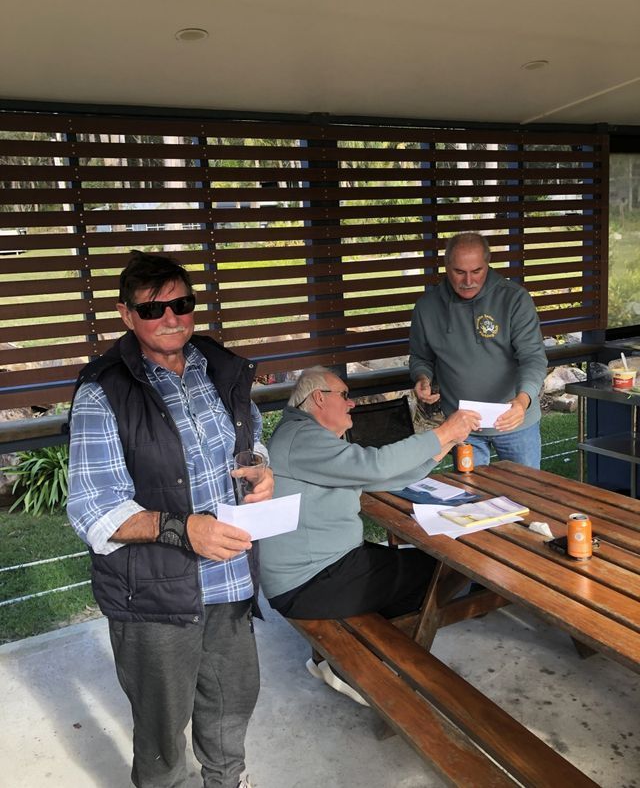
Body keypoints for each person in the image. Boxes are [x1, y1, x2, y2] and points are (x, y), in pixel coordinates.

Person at [67, 250, 274, 788]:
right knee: (163, 730)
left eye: (182, 304)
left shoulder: (216, 365)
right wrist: (187, 529)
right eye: (154, 309)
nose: (171, 318)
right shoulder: (103, 391)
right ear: (126, 315)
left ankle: (227, 781)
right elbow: (94, 509)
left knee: (231, 700)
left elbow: (248, 434)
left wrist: (259, 470)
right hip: (154, 594)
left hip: (229, 576)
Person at [259, 366, 480, 704]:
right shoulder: (302, 438)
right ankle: (355, 664)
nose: (352, 404)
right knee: (439, 571)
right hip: (311, 581)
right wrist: (443, 431)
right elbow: (373, 464)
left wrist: (445, 442)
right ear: (319, 398)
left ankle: (328, 656)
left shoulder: (305, 437)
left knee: (416, 565)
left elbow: (381, 478)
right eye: (345, 396)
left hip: (318, 570)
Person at [409, 232, 548, 469]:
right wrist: (423, 377)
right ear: (446, 266)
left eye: (477, 271)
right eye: (459, 272)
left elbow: (533, 357)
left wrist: (522, 401)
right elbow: (421, 357)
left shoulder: (514, 299)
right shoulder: (427, 306)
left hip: (514, 421)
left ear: (488, 264)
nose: (468, 281)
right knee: (469, 498)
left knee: (525, 495)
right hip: (463, 423)